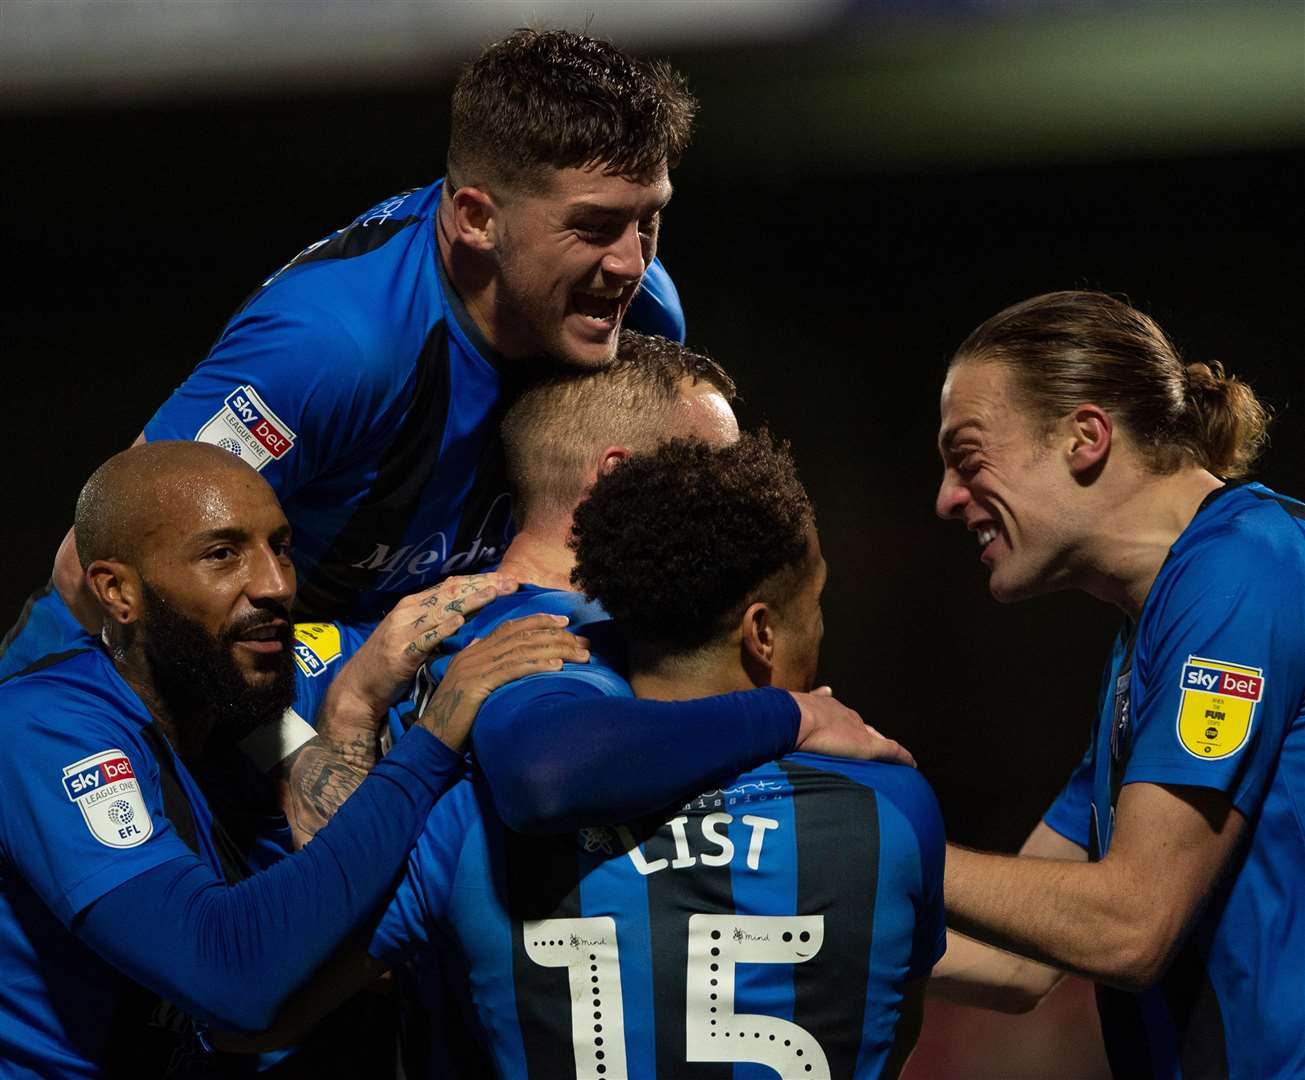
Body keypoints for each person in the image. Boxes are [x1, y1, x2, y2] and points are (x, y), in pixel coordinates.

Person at [236, 431, 941, 1079]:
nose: (820, 626)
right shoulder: (893, 810)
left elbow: (259, 1007)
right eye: (814, 605)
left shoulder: (467, 828)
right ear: (760, 632)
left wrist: (353, 712)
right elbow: (891, 1031)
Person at [1, 27, 697, 677]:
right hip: (113, 689)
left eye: (650, 219)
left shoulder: (639, 313)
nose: (630, 262)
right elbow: (92, 571)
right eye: (595, 226)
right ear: (477, 219)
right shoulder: (331, 347)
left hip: (384, 666)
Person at [0, 440, 586, 1077]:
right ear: (119, 592)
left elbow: (478, 618)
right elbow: (230, 974)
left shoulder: (250, 672)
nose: (276, 585)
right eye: (222, 555)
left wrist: (357, 699)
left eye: (279, 546)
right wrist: (429, 746)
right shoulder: (45, 729)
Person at [931, 291, 1304, 1076]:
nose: (946, 500)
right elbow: (1016, 964)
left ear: (1084, 436)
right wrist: (781, 913)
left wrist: (873, 839)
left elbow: (1129, 927)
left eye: (967, 459)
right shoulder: (1153, 630)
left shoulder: (1240, 572)